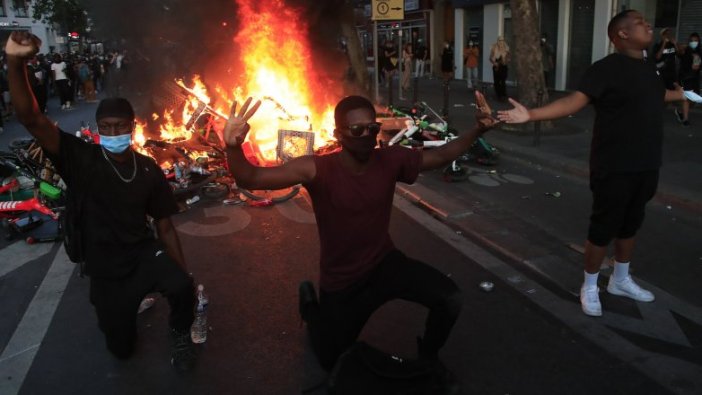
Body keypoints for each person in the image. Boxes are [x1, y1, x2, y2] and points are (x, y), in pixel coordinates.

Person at [223, 92, 499, 371]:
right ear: (338, 134)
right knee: (330, 359)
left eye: (372, 128)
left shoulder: (391, 159)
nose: (366, 135)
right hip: (343, 281)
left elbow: (440, 156)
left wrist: (478, 129)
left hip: (384, 263)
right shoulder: (317, 168)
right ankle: (311, 307)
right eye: (357, 130)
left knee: (449, 298)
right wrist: (233, 146)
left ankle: (428, 358)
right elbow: (252, 177)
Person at [5, 31, 197, 372]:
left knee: (183, 287)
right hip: (105, 268)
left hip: (141, 254)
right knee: (121, 348)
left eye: (120, 126)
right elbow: (31, 118)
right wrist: (15, 62)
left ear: (132, 127)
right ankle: (122, 315)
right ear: (98, 129)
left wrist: (183, 273)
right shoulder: (81, 158)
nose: (113, 133)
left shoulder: (149, 168)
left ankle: (181, 333)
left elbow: (165, 226)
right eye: (106, 127)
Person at [497, 10, 685, 317]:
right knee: (603, 227)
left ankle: (621, 280)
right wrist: (531, 115)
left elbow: (655, 95)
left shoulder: (650, 68)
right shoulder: (605, 69)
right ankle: (590, 285)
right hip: (614, 164)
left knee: (630, 224)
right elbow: (575, 101)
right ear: (622, 34)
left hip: (647, 162)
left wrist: (682, 94)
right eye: (639, 22)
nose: (648, 25)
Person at [675, 32, 701, 127]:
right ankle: (685, 119)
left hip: (695, 78)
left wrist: (696, 59)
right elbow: (679, 52)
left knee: (693, 100)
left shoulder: (699, 52)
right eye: (692, 41)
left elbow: (696, 68)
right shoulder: (685, 50)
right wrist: (681, 46)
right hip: (685, 78)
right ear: (689, 41)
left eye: (696, 41)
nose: (694, 42)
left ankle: (680, 111)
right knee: (687, 97)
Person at [490, 36, 510, 100]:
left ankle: (503, 93)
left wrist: (506, 61)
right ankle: (499, 95)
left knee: (503, 80)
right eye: (499, 40)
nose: (501, 42)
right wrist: (494, 62)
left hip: (503, 66)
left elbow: (509, 58)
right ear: (497, 41)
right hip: (496, 66)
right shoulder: (494, 48)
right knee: (496, 81)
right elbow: (490, 58)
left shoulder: (506, 48)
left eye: (502, 40)